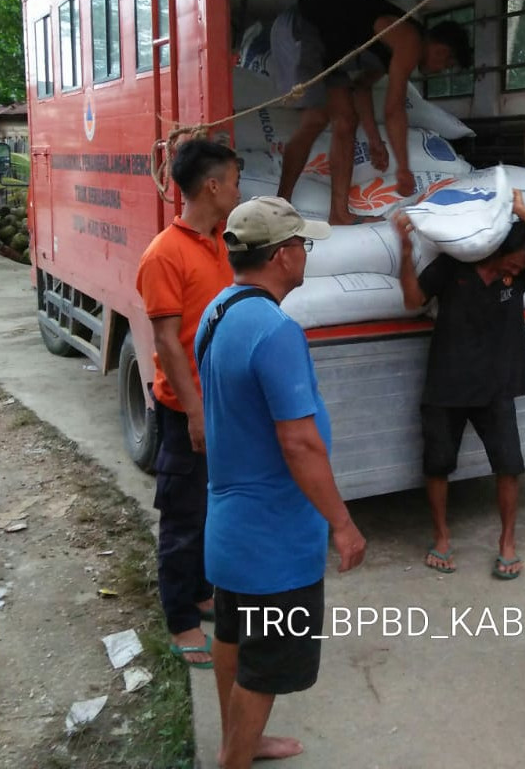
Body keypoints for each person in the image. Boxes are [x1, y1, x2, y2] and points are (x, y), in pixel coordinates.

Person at [195, 196, 366, 769]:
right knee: (266, 663)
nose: (305, 255)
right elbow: (299, 443)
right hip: (273, 540)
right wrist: (342, 525)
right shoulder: (275, 331)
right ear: (285, 256)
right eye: (303, 245)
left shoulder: (218, 310)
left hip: (230, 527)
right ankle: (233, 760)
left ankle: (237, 742)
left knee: (232, 638)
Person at [394, 189, 525, 578]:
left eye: (523, 266)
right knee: (437, 466)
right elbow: (411, 300)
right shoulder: (452, 267)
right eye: (515, 262)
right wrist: (405, 252)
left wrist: (523, 211)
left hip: (496, 385)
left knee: (509, 466)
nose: (519, 270)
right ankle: (441, 538)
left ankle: (507, 543)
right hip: (447, 383)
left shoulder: (519, 276)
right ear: (496, 248)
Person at [135, 137, 240, 669]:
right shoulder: (164, 254)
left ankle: (201, 590)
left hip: (219, 404)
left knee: (209, 508)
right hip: (184, 411)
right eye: (235, 180)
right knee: (182, 516)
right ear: (213, 185)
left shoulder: (220, 242)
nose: (239, 191)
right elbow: (167, 342)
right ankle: (180, 619)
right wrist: (195, 410)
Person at [270, 0, 472, 225]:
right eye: (446, 64)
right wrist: (403, 169)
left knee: (345, 121)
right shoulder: (410, 41)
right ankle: (279, 207)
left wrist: (375, 140)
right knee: (316, 117)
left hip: (330, 51)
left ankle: (339, 214)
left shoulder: (394, 46)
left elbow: (362, 87)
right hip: (302, 27)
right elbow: (394, 109)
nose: (440, 71)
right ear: (441, 50)